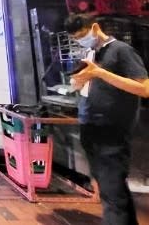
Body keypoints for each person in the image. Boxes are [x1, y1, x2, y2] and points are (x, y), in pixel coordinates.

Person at [65, 14, 149, 225]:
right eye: (76, 39)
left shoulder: (121, 50)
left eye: (82, 35)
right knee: (111, 189)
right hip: (91, 127)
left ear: (94, 27)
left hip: (111, 130)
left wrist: (100, 74)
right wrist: (79, 81)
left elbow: (144, 88)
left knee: (111, 190)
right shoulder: (91, 53)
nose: (80, 41)